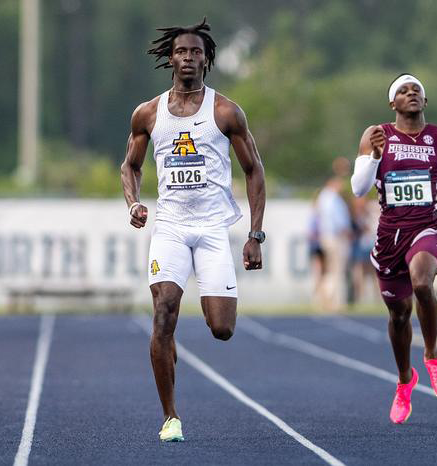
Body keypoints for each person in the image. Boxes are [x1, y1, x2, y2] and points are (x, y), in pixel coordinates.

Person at [119, 18, 266, 442]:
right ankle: (170, 417)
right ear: (170, 59)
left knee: (222, 328)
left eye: (196, 52)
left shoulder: (225, 112)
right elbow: (130, 166)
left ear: (206, 60)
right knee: (164, 312)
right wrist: (134, 203)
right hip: (170, 226)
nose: (188, 58)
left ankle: (190, 324)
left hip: (213, 229)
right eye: (181, 51)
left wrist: (255, 235)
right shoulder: (148, 113)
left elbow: (254, 171)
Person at [350, 73, 437, 424]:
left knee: (421, 282)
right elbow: (358, 189)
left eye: (416, 90)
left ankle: (432, 357)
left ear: (425, 101)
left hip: (426, 226)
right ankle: (405, 380)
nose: (411, 93)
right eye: (403, 91)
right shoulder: (377, 135)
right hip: (390, 235)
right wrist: (375, 156)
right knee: (399, 315)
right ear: (393, 103)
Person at [314, 160, 352, 312]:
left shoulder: (325, 197)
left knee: (331, 270)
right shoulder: (330, 198)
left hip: (328, 236)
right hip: (334, 237)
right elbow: (337, 219)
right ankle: (330, 300)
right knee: (336, 270)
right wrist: (344, 230)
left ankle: (326, 299)